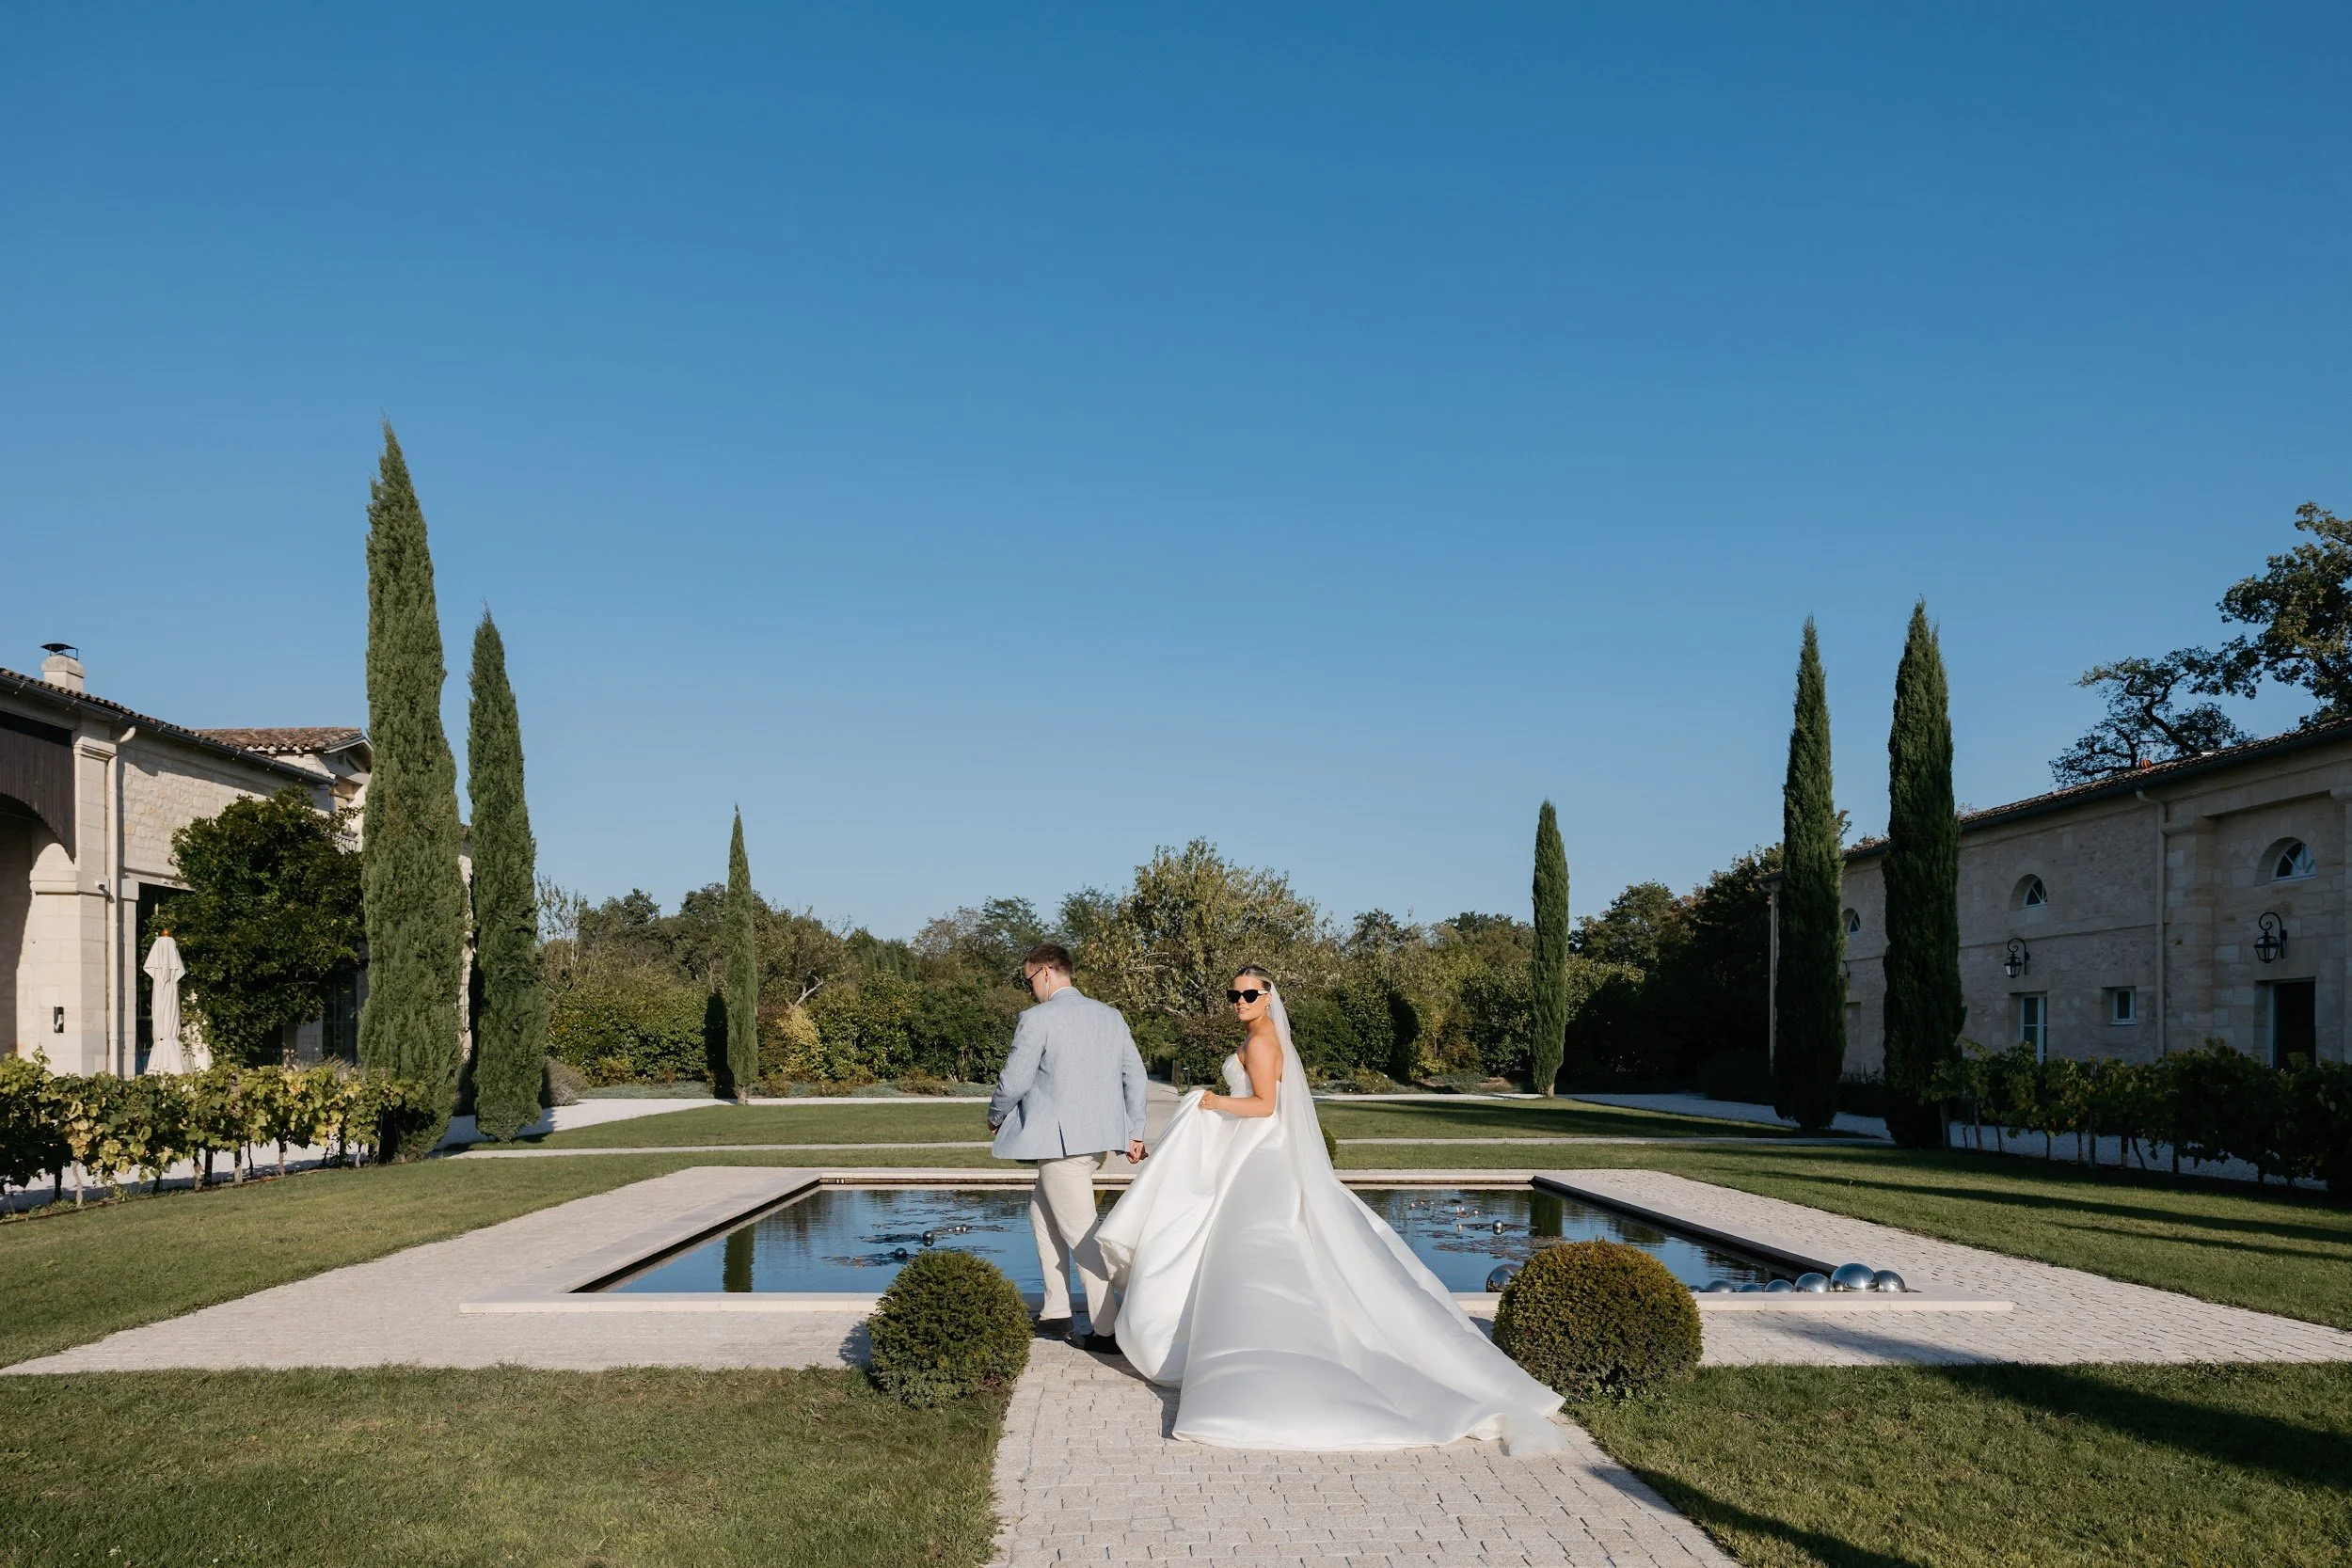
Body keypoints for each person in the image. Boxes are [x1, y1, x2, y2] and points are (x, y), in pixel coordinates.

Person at [1094, 965, 1565, 1453]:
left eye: (1248, 994)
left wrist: (1211, 1102)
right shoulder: (1266, 1034)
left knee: (1252, 1249)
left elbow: (1264, 1106)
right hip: (1260, 1150)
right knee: (1274, 1249)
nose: (1239, 1002)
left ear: (1268, 996)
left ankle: (1268, 1355)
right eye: (1233, 994)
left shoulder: (1260, 1041)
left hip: (1260, 1152)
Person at [988, 942, 1150, 1350]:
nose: (1030, 990)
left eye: (1028, 981)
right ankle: (1056, 1313)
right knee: (1041, 1218)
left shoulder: (1037, 1018)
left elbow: (1014, 1079)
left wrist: (994, 1115)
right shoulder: (1110, 1016)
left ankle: (1108, 1330)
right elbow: (1136, 1075)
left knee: (1082, 1236)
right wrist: (1135, 1130)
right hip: (1092, 1145)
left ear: (1045, 972)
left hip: (1061, 1149)